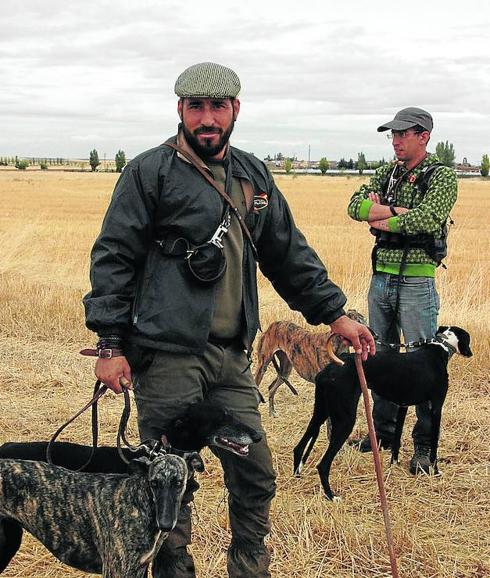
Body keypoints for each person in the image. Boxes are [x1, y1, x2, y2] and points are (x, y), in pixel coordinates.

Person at [83, 61, 374, 578]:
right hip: (166, 355)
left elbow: (287, 252)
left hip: (231, 358)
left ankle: (248, 569)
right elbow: (113, 258)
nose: (207, 118)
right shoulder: (150, 172)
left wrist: (334, 313)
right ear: (180, 110)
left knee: (256, 473)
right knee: (168, 485)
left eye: (218, 107)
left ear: (235, 109)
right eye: (196, 107)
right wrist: (110, 344)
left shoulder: (252, 175)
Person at [347, 107, 457, 474]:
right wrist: (396, 210)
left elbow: (427, 218)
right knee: (378, 356)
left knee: (425, 366)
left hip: (417, 279)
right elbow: (353, 207)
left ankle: (424, 449)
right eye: (392, 135)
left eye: (402, 134)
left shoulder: (441, 176)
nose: (394, 141)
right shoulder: (387, 172)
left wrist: (379, 216)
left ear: (424, 136)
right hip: (381, 277)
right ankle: (383, 436)